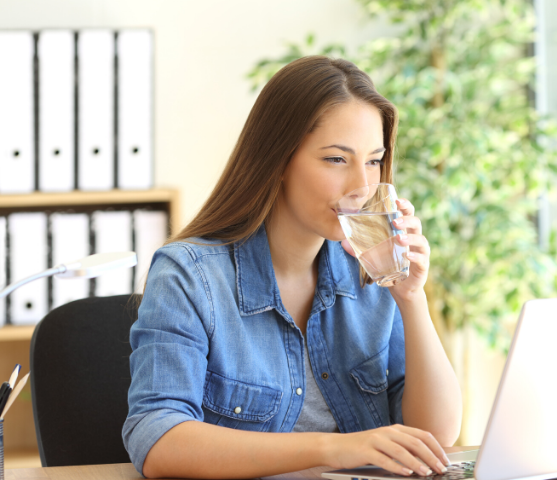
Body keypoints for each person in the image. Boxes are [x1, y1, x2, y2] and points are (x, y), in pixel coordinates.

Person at [123, 56, 462, 479]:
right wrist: (333, 449)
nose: (362, 185)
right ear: (279, 161)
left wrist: (412, 299)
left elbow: (436, 435)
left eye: (374, 161)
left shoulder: (370, 268)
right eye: (337, 159)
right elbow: (158, 441)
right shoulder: (190, 276)